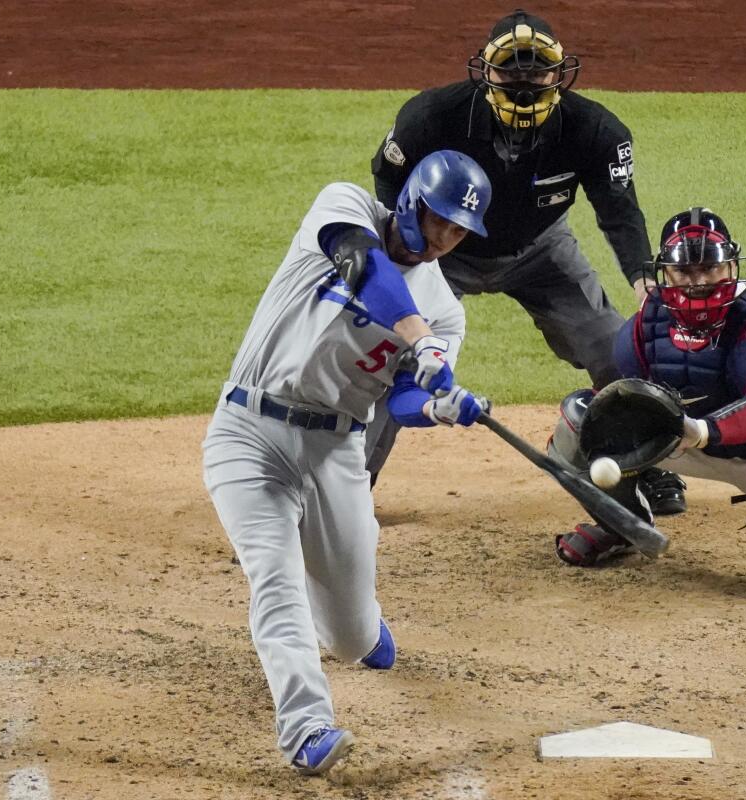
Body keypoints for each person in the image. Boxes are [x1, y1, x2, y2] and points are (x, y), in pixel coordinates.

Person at [201, 150, 492, 775]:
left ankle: (362, 625)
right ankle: (306, 728)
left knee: (352, 638)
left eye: (459, 230)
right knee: (276, 579)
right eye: (438, 219)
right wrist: (421, 340)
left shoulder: (446, 310)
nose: (444, 238)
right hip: (246, 433)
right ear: (410, 199)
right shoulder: (346, 206)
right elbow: (365, 268)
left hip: (336, 452)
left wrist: (441, 405)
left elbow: (405, 398)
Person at [367, 7, 686, 515]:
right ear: (486, 71)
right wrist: (407, 252)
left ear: (558, 75)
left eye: (535, 70)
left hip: (541, 251)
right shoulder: (433, 116)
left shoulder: (595, 130)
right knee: (393, 354)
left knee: (617, 350)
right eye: (510, 69)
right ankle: (354, 483)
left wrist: (642, 278)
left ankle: (647, 464)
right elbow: (387, 181)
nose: (522, 82)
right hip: (443, 250)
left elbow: (618, 209)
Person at [549, 207, 746, 601]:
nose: (697, 282)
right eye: (684, 271)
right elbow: (627, 409)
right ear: (666, 272)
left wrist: (702, 431)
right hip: (697, 440)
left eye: (709, 269)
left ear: (730, 267)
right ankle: (621, 524)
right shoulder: (644, 330)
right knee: (583, 421)